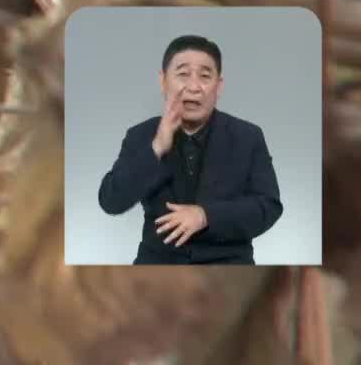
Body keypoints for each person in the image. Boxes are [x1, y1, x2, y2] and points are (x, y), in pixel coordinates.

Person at [96, 34, 283, 264]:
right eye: (183, 74)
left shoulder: (248, 137)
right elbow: (111, 200)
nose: (194, 87)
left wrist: (206, 216)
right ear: (163, 80)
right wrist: (156, 148)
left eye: (205, 76)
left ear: (219, 86)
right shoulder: (141, 135)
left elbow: (268, 206)